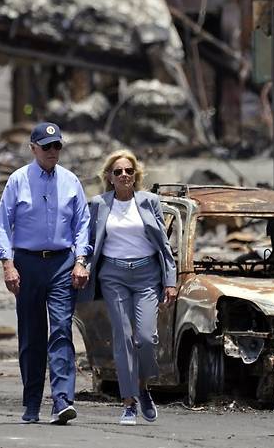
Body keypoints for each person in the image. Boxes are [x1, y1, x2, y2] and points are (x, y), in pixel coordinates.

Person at [0, 122, 91, 424]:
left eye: (57, 146)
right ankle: (32, 402)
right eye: (46, 147)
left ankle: (62, 401)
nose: (52, 152)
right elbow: (2, 226)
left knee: (61, 330)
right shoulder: (17, 181)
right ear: (33, 148)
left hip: (62, 263)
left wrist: (81, 260)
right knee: (32, 335)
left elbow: (82, 224)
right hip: (27, 264)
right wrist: (7, 264)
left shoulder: (71, 181)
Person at [81, 149, 177, 426]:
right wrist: (82, 265)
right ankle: (128, 403)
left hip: (147, 274)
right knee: (122, 338)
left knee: (146, 338)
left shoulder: (150, 202)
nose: (124, 175)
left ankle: (143, 387)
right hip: (113, 275)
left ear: (136, 176)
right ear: (109, 177)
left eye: (129, 171)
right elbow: (89, 243)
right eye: (118, 171)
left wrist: (169, 280)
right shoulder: (99, 203)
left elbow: (163, 246)